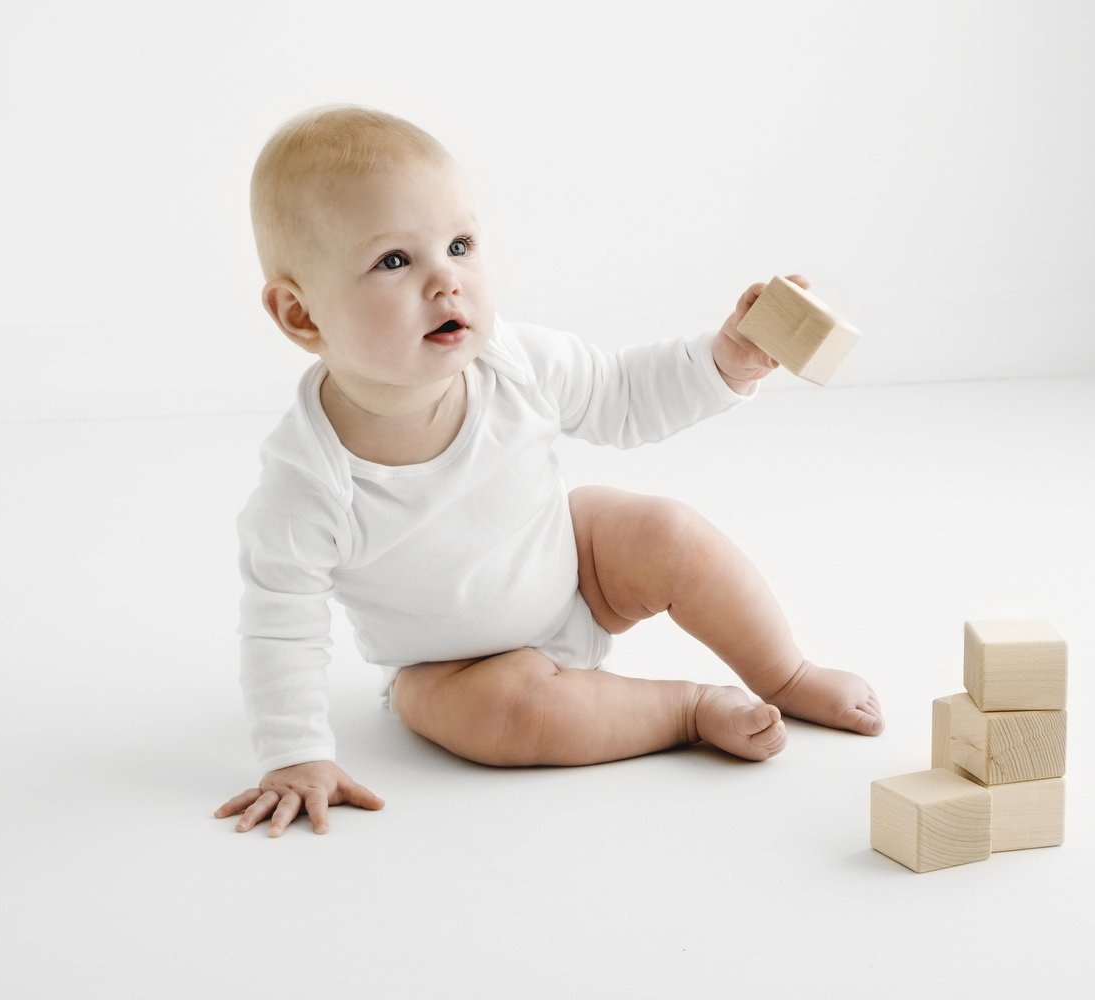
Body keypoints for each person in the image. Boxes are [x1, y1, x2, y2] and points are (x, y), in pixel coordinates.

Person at [214, 105, 884, 838]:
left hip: (574, 573)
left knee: (664, 530)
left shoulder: (513, 361)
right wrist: (296, 755)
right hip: (453, 668)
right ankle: (687, 709)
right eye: (395, 261)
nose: (447, 282)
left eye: (461, 244)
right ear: (301, 315)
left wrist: (725, 361)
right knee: (510, 716)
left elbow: (624, 396)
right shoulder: (307, 481)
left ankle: (784, 674)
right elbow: (282, 627)